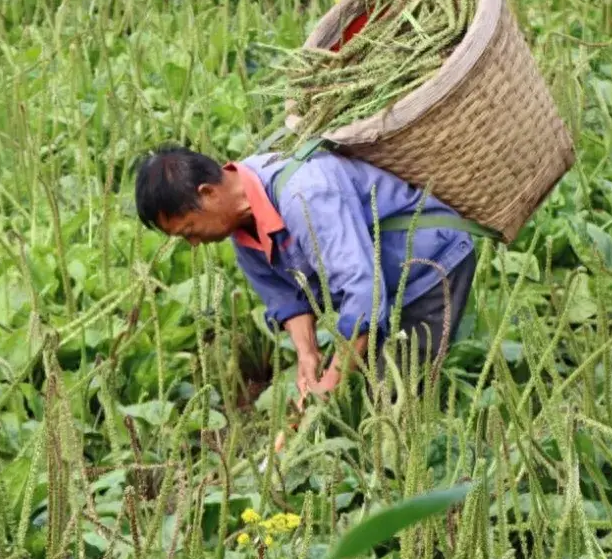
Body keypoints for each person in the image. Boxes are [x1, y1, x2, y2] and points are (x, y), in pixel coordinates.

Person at [133, 142, 477, 403]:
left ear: (208, 194)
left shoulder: (305, 195)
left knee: (394, 399)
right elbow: (284, 295)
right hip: (380, 280)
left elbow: (363, 294)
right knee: (363, 388)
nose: (194, 244)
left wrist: (330, 382)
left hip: (427, 267)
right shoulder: (240, 221)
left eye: (190, 230)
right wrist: (308, 356)